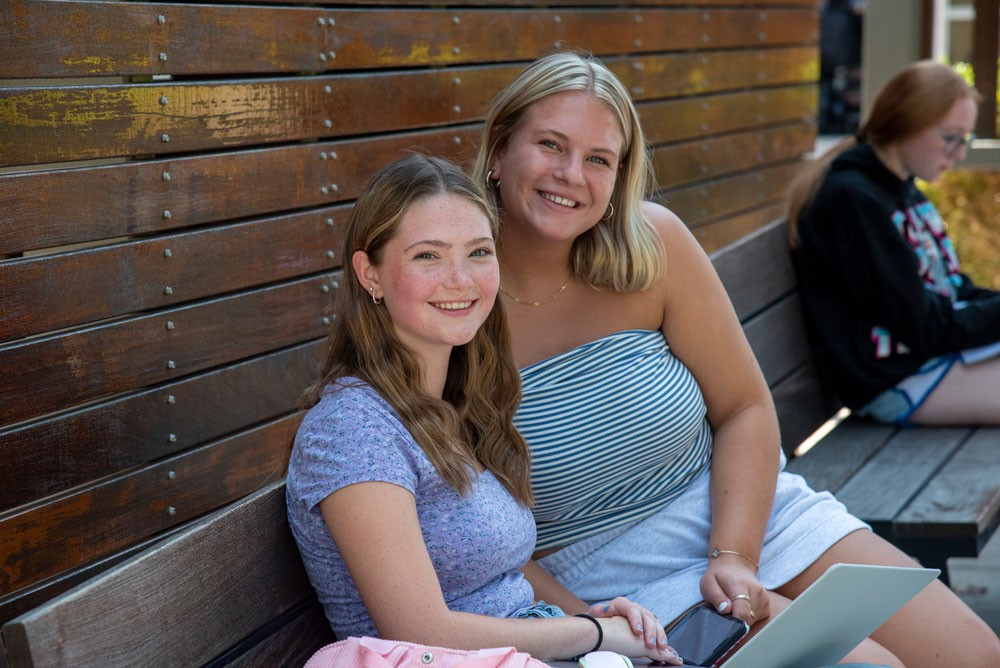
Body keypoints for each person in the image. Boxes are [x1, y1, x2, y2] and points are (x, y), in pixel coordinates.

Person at [472, 51, 1000, 668]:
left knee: (975, 656)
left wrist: (733, 555)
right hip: (614, 575)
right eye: (550, 145)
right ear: (501, 146)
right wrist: (584, 625)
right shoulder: (454, 293)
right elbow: (472, 532)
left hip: (747, 510)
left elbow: (745, 406)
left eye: (598, 159)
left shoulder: (654, 246)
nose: (571, 174)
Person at [284, 153, 680, 664]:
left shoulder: (455, 406)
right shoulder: (351, 430)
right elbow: (420, 629)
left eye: (478, 252)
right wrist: (593, 634)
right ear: (371, 274)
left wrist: (596, 622)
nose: (461, 279)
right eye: (428, 256)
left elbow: (502, 583)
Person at [788, 60, 1000, 426]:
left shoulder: (900, 190)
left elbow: (952, 291)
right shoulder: (852, 201)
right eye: (950, 138)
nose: (959, 153)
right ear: (906, 123)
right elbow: (925, 328)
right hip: (896, 380)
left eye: (963, 140)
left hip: (928, 363)